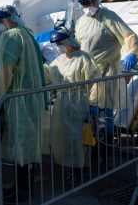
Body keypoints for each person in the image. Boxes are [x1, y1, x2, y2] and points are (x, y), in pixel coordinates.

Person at [0, 5, 46, 202]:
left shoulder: (10, 36)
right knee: (28, 145)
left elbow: (5, 70)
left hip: (18, 100)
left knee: (21, 146)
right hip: (32, 98)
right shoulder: (27, 34)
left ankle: (23, 191)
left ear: (5, 20)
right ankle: (24, 187)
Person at [75, 0, 138, 144]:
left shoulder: (108, 17)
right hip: (88, 71)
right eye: (84, 4)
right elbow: (79, 43)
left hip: (105, 70)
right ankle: (92, 141)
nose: (88, 6)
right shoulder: (81, 21)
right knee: (90, 108)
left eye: (90, 3)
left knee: (104, 109)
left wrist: (132, 53)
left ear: (97, 1)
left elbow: (128, 35)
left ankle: (107, 143)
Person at [44, 28, 104, 183]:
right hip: (62, 102)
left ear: (69, 41)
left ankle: (78, 168)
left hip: (78, 101)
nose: (59, 46)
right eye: (57, 44)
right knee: (62, 135)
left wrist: (94, 102)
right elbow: (49, 74)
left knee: (77, 136)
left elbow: (95, 81)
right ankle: (67, 166)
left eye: (60, 42)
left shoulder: (83, 58)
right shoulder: (60, 59)